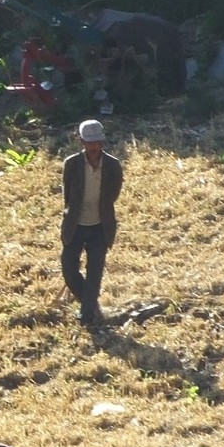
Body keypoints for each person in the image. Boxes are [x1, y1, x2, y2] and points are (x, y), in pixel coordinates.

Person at [61, 118, 124, 326]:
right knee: (68, 268)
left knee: (94, 272)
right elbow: (67, 195)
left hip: (100, 227)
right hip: (76, 226)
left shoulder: (113, 166)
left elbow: (113, 194)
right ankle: (90, 303)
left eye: (97, 142)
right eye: (90, 142)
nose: (94, 147)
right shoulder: (71, 164)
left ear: (103, 142)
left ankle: (87, 316)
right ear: (81, 142)